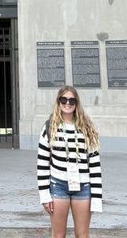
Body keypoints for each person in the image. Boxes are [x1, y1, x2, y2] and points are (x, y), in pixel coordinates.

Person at [37, 86, 102, 237]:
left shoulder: (87, 128)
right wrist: (44, 196)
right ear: (58, 102)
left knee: (82, 235)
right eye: (63, 99)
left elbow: (95, 165)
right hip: (58, 186)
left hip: (83, 187)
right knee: (58, 235)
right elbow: (42, 164)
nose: (68, 103)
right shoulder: (49, 127)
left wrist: (96, 198)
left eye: (72, 100)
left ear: (76, 103)